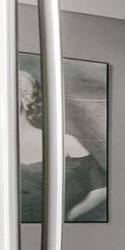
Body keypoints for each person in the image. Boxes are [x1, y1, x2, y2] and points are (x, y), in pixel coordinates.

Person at [18, 68, 107, 222]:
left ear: (26, 98)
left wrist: (70, 216)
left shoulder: (65, 142)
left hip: (46, 228)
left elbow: (101, 188)